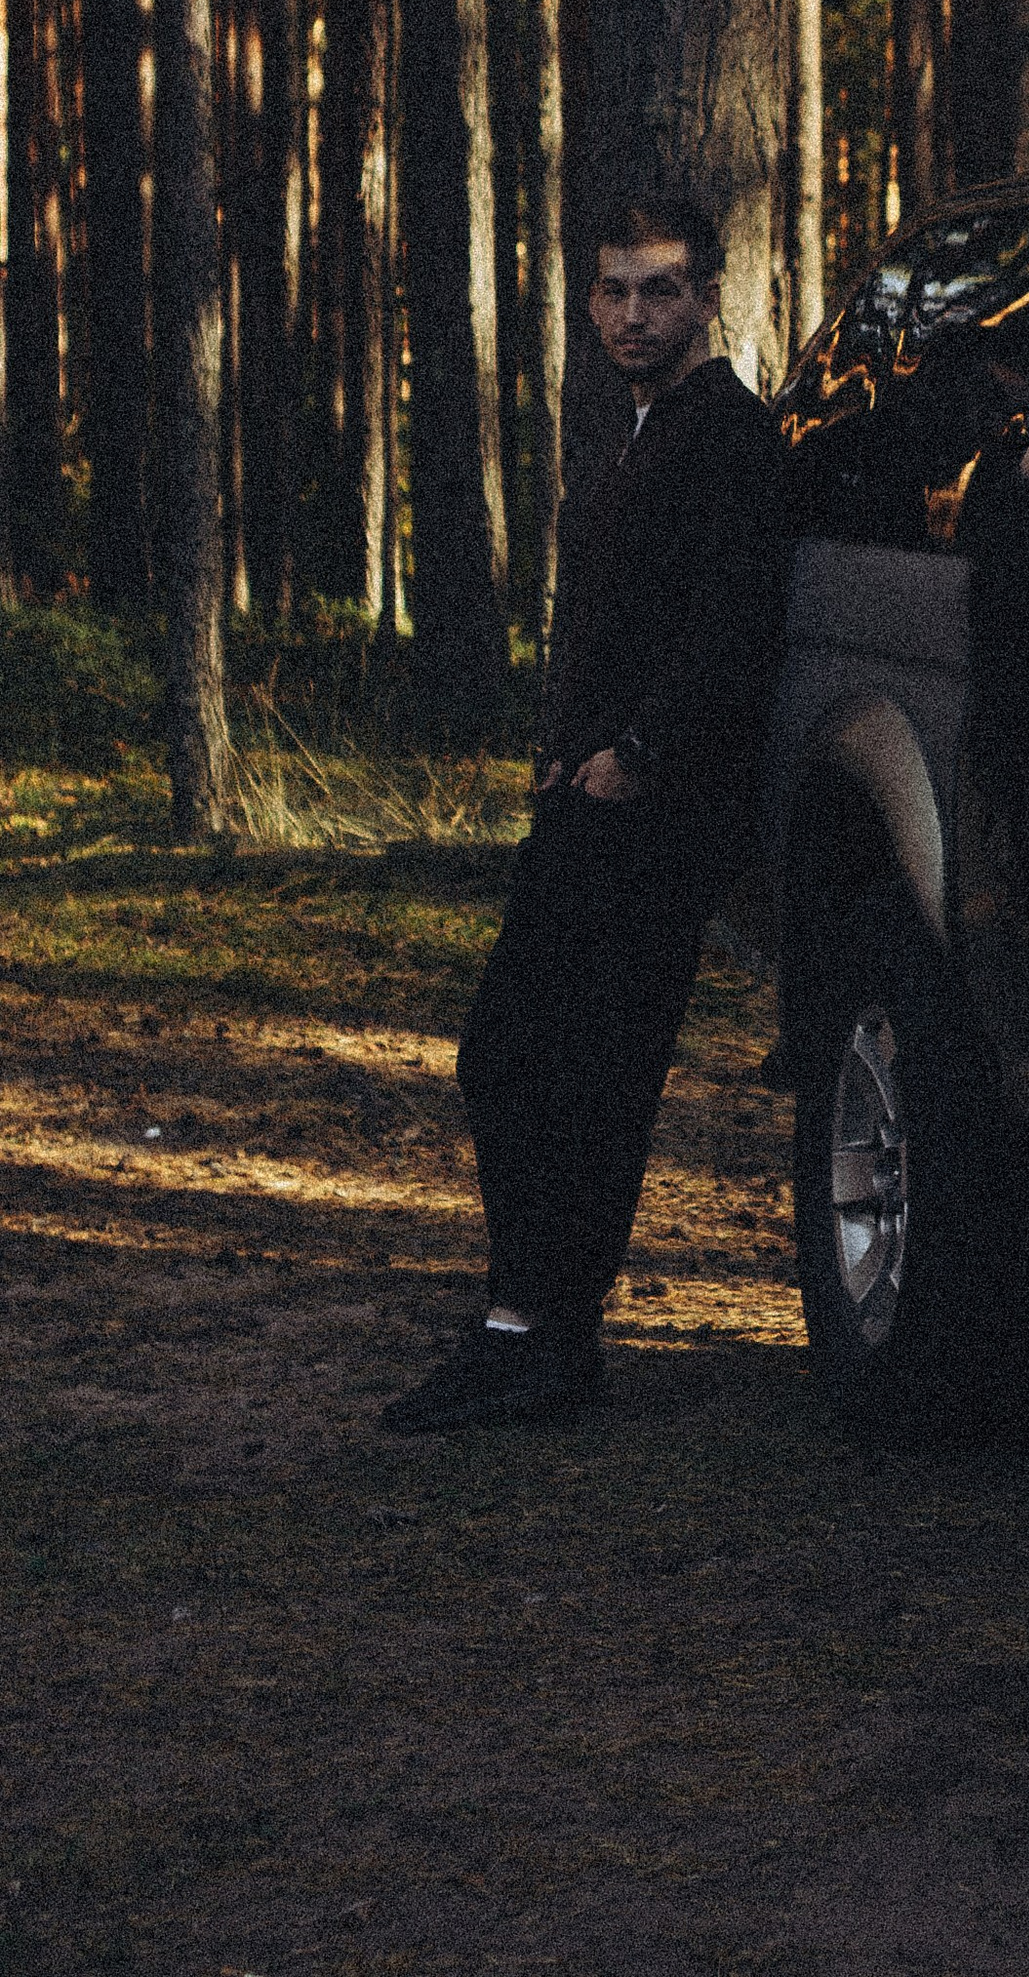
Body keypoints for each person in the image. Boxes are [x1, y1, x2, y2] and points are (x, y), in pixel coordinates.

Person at [381, 196, 792, 1434]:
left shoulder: (726, 439)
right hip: (596, 796)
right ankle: (533, 1334)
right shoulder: (645, 432)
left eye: (657, 291)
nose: (629, 314)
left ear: (707, 298)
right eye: (612, 291)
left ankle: (541, 1344)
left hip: (655, 812)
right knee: (519, 1062)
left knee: (575, 1075)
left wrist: (636, 755)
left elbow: (736, 629)